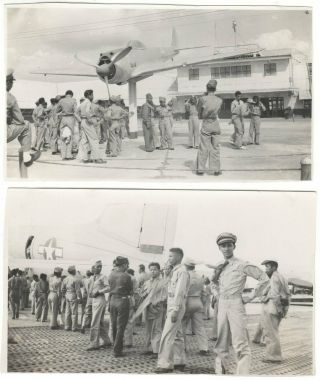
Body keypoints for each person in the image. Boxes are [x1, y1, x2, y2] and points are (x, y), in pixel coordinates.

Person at [214, 233, 269, 374]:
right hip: (222, 304)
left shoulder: (242, 264)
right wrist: (217, 295)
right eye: (223, 246)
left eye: (229, 245)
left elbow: (264, 279)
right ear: (219, 248)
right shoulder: (219, 265)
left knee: (240, 342)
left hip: (235, 303)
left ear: (234, 246)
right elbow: (213, 282)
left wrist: (250, 297)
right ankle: (220, 373)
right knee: (221, 341)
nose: (226, 248)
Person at [155, 248, 190, 373]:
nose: (168, 258)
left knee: (167, 335)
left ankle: (165, 364)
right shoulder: (174, 271)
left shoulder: (182, 272)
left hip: (176, 305)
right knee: (178, 335)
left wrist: (175, 309)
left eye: (171, 256)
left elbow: (179, 292)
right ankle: (179, 361)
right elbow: (166, 287)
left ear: (179, 257)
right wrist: (166, 273)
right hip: (172, 304)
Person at [6, 69, 40, 165]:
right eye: (11, 81)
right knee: (26, 124)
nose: (12, 84)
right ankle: (27, 157)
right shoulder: (9, 97)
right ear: (7, 82)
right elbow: (19, 120)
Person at [260, 260, 290, 363]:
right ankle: (275, 355)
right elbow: (288, 294)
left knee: (270, 333)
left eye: (267, 267)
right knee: (274, 332)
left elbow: (275, 295)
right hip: (279, 308)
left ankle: (273, 357)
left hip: (272, 308)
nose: (266, 269)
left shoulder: (274, 277)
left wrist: (279, 308)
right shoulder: (282, 277)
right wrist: (284, 309)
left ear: (273, 267)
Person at [196, 80, 223, 176]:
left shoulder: (202, 99)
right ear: (215, 89)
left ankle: (200, 169)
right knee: (215, 147)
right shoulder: (219, 100)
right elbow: (218, 112)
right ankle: (216, 170)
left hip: (206, 123)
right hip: (215, 123)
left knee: (204, 146)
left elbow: (198, 112)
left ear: (207, 88)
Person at [182, 259, 209, 355]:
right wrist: (202, 303)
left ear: (185, 265)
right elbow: (203, 292)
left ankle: (183, 347)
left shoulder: (185, 276)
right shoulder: (200, 276)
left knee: (182, 325)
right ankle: (204, 348)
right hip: (198, 301)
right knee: (200, 326)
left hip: (187, 301)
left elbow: (182, 291)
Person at [141, 262, 167, 357]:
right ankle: (148, 348)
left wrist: (157, 301)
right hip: (148, 308)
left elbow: (165, 296)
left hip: (157, 308)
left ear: (159, 270)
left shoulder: (163, 282)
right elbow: (142, 293)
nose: (152, 271)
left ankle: (156, 351)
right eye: (151, 269)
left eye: (155, 269)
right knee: (148, 328)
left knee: (156, 329)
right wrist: (143, 295)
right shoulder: (147, 282)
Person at [108, 256, 133, 357]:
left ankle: (115, 346)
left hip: (113, 300)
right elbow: (130, 291)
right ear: (123, 265)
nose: (127, 266)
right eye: (127, 264)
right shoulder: (126, 276)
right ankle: (117, 350)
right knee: (121, 327)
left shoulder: (111, 274)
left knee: (114, 325)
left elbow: (109, 289)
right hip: (122, 301)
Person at [86, 261, 112, 351]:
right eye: (97, 267)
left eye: (100, 266)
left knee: (94, 322)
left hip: (100, 300)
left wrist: (99, 291)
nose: (99, 268)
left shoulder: (103, 277)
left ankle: (94, 343)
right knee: (99, 322)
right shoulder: (92, 278)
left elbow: (108, 288)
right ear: (92, 268)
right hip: (94, 300)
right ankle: (106, 340)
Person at [77, 89, 105, 163]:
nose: (93, 96)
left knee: (84, 140)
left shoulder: (82, 103)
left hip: (83, 121)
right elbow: (87, 112)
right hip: (87, 121)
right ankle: (97, 158)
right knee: (94, 139)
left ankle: (85, 158)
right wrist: (89, 119)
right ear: (88, 95)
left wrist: (80, 120)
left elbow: (76, 112)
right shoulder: (88, 102)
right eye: (92, 95)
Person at [56, 90, 78, 160]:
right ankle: (68, 155)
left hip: (63, 118)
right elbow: (75, 111)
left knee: (63, 137)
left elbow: (57, 110)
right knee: (70, 137)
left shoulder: (61, 101)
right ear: (72, 94)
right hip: (70, 118)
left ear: (66, 94)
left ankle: (63, 155)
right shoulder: (73, 100)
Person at [61, 265, 82, 331]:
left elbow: (62, 289)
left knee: (67, 311)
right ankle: (74, 327)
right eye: (75, 270)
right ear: (73, 271)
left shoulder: (65, 279)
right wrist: (79, 298)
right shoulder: (75, 279)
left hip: (67, 295)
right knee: (74, 312)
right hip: (73, 295)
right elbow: (78, 290)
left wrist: (64, 294)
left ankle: (67, 326)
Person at [81, 268, 94, 333]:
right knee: (94, 313)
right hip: (94, 298)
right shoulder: (94, 280)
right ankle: (91, 325)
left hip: (88, 297)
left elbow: (85, 291)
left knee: (86, 312)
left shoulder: (85, 280)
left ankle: (83, 325)